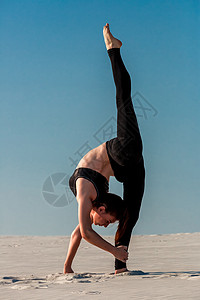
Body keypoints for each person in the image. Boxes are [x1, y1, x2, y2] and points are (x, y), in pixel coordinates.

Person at [63, 23, 145, 275]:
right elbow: (81, 231)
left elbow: (85, 233)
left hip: (121, 151)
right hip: (126, 166)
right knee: (131, 213)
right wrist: (67, 267)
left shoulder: (84, 192)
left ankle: (113, 50)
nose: (105, 226)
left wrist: (111, 249)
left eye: (106, 222)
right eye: (108, 224)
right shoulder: (90, 203)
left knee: (124, 99)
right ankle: (121, 265)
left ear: (100, 209)